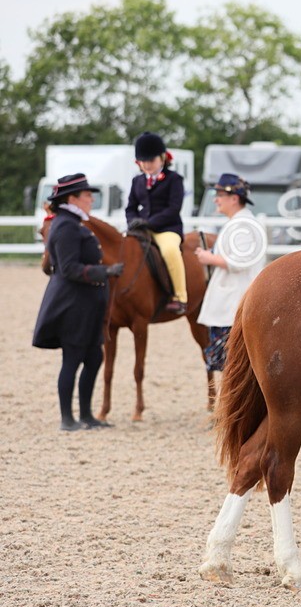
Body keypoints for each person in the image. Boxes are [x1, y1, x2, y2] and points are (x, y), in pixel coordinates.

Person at [33, 174, 125, 431]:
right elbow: (68, 268)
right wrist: (104, 272)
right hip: (72, 304)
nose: (91, 199)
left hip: (87, 303)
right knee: (72, 359)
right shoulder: (65, 226)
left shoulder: (74, 223)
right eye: (87, 195)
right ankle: (67, 418)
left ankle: (86, 414)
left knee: (94, 357)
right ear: (72, 199)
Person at [196, 174, 266, 376]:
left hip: (233, 304)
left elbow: (240, 261)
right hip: (230, 302)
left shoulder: (243, 224)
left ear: (234, 198)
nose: (215, 199)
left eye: (219, 195)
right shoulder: (239, 222)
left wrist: (210, 258)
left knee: (233, 365)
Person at [125, 132, 188, 315]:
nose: (146, 165)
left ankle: (180, 296)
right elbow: (130, 207)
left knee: (170, 251)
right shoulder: (137, 181)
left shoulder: (174, 179)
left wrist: (148, 223)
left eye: (150, 160)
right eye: (142, 161)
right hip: (141, 229)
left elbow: (174, 208)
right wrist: (133, 222)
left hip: (167, 229)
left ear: (162, 158)